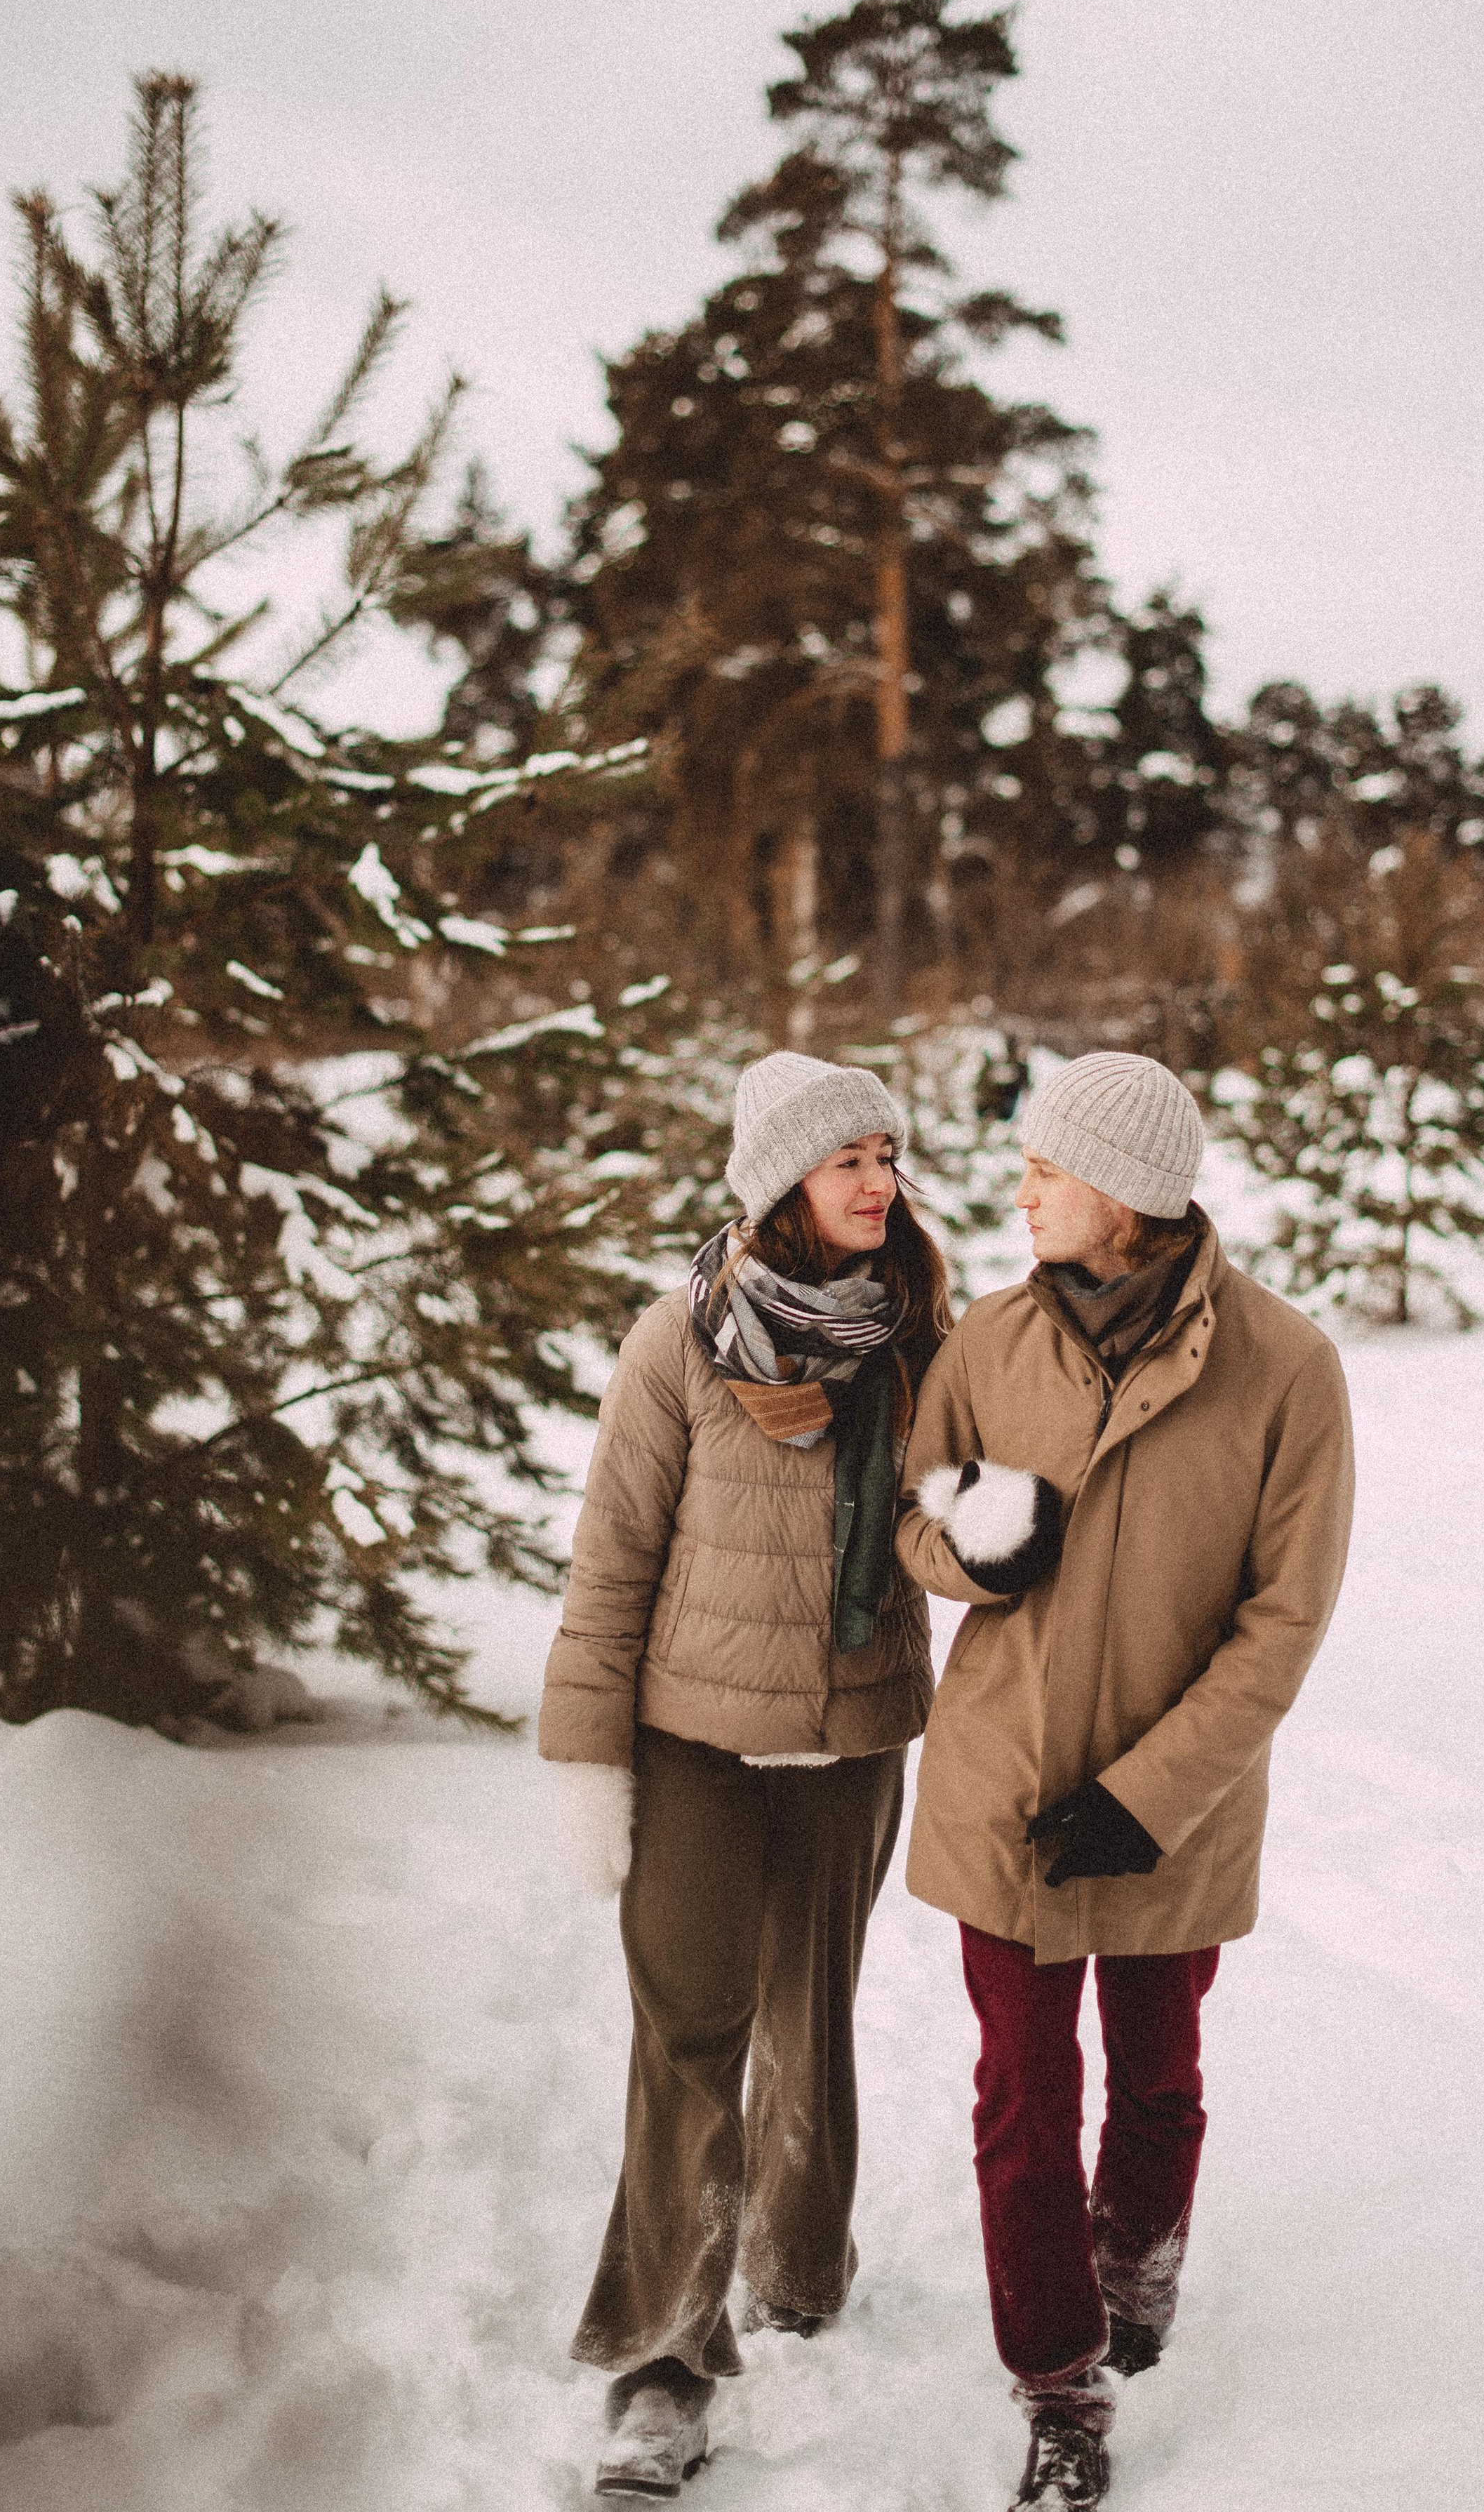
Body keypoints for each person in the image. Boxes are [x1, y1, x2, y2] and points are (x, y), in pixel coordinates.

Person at [897, 1051, 1354, 2512]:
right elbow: (911, 1512)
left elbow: (1283, 1620)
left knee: (1156, 2083)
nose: (1020, 1192)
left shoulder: (1285, 1367)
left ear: (1127, 1195)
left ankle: (1135, 2273)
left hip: (1177, 1812)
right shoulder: (987, 1339)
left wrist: (1148, 1797)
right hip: (1005, 1791)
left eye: (1049, 1171)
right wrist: (970, 1545)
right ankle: (1057, 2381)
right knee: (1023, 2099)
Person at [539, 1049, 951, 2499]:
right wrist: (588, 1760)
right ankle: (663, 2362)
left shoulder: (919, 1337)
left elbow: (951, 1517)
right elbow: (610, 1566)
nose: (879, 1181)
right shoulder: (678, 1341)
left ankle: (796, 2257)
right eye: (850, 1159)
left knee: (809, 2018)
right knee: (688, 2041)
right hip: (692, 1747)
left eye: (887, 1157)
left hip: (850, 1740)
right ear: (782, 1181)